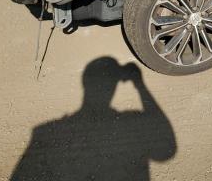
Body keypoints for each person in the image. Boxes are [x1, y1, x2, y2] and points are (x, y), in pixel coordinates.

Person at [10, 57, 175, 181]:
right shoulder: (129, 122)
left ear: (85, 85)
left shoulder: (44, 132)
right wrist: (139, 85)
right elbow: (165, 151)